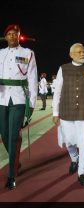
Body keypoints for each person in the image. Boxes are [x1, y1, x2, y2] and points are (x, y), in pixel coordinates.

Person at [52, 43, 84, 186]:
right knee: (68, 140)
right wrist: (55, 112)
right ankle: (74, 157)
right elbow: (57, 91)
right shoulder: (63, 69)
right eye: (79, 52)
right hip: (66, 111)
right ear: (71, 54)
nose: (82, 54)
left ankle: (82, 173)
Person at [0, 24, 38, 190]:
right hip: (1, 98)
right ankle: (16, 161)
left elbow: (32, 78)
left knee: (13, 136)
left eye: (15, 34)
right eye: (9, 34)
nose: (12, 36)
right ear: (6, 37)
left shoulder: (27, 53)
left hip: (19, 98)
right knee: (4, 134)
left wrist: (32, 104)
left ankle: (11, 175)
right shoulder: (0, 54)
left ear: (19, 36)